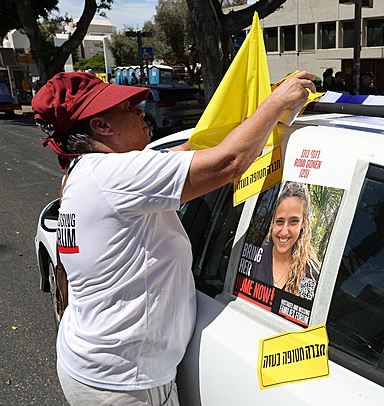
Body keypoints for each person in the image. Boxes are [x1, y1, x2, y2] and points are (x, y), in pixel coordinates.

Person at [32, 71, 315, 405]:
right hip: (123, 383)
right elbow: (228, 162)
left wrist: (249, 114)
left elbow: (188, 150)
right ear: (101, 126)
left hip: (92, 362)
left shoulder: (85, 172)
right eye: (127, 108)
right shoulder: (113, 175)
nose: (141, 112)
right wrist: (277, 101)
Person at [251, 182, 320, 297]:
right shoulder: (258, 251)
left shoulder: (310, 271)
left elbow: (302, 307)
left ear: (304, 221)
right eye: (280, 221)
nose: (284, 231)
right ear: (273, 221)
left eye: (293, 221)